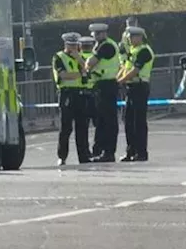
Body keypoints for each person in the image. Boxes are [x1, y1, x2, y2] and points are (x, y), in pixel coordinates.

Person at [53, 33, 92, 166]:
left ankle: (84, 156)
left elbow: (88, 73)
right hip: (67, 94)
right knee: (66, 127)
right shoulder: (59, 57)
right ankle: (62, 156)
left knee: (82, 127)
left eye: (76, 45)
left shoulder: (80, 58)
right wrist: (80, 73)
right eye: (71, 45)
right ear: (66, 44)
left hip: (80, 95)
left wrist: (80, 60)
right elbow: (63, 75)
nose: (74, 47)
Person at [84, 22, 121, 162]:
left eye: (96, 34)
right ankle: (101, 151)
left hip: (107, 84)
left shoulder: (106, 46)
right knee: (101, 120)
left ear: (102, 33)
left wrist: (88, 63)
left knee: (108, 120)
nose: (94, 37)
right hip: (101, 85)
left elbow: (91, 62)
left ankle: (108, 152)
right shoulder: (101, 45)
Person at [117, 26, 154, 162]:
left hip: (140, 86)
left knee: (138, 121)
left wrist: (120, 81)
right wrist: (118, 79)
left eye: (131, 37)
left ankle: (141, 152)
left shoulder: (144, 50)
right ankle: (130, 151)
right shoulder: (132, 51)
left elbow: (135, 70)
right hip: (131, 87)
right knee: (129, 121)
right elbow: (125, 67)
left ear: (139, 37)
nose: (129, 40)